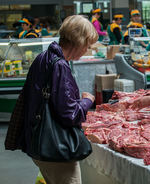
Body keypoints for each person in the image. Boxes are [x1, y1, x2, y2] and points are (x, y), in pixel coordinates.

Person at [19, 15, 97, 184]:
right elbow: (70, 114)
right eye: (87, 45)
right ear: (79, 41)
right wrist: (87, 100)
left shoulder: (43, 57)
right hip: (56, 149)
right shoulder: (60, 66)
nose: (87, 50)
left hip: (36, 141)